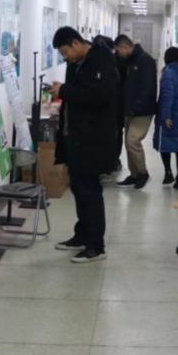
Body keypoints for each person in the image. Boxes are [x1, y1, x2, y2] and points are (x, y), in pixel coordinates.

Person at [50, 27, 118, 263]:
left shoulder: (102, 59)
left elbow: (99, 96)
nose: (65, 57)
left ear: (76, 43)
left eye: (65, 51)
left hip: (93, 139)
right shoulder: (75, 63)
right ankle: (82, 235)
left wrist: (64, 90)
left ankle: (96, 246)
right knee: (78, 188)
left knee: (90, 191)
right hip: (75, 138)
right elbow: (77, 93)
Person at [114, 34, 157, 189]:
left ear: (125, 47)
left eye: (118, 50)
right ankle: (134, 174)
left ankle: (143, 173)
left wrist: (136, 107)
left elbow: (149, 88)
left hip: (142, 110)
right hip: (129, 110)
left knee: (133, 141)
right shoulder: (129, 61)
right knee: (128, 143)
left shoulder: (146, 60)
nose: (118, 54)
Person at [153, 47, 178, 190]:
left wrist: (166, 116)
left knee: (165, 144)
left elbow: (167, 95)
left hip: (170, 115)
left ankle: (168, 172)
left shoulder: (168, 73)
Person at [92, 34, 125, 180]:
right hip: (104, 109)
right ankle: (105, 164)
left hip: (116, 107)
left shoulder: (118, 62)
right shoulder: (93, 63)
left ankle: (113, 161)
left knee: (115, 135)